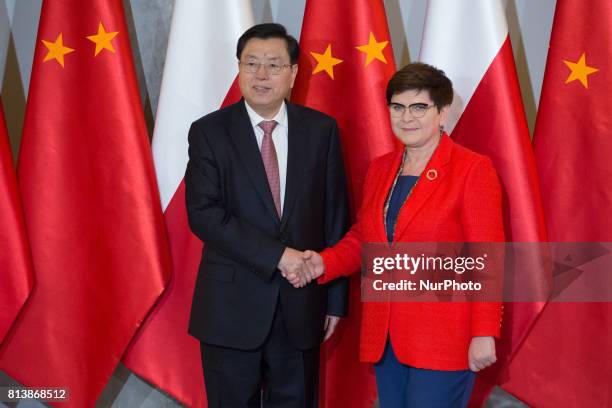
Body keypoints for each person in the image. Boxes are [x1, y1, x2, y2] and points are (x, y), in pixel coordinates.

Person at [292, 63, 504, 407]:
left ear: (442, 111)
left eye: (419, 107)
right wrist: (322, 263)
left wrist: (483, 333)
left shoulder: (472, 170)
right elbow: (366, 238)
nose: (407, 117)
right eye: (397, 106)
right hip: (386, 334)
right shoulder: (381, 169)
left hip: (444, 338)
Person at [184, 23, 349, 408]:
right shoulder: (209, 132)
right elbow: (203, 214)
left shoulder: (321, 130)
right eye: (251, 63)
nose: (261, 75)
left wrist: (335, 300)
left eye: (273, 65)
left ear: (293, 73)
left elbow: (336, 218)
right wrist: (279, 255)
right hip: (230, 311)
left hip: (302, 306)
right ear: (238, 68)